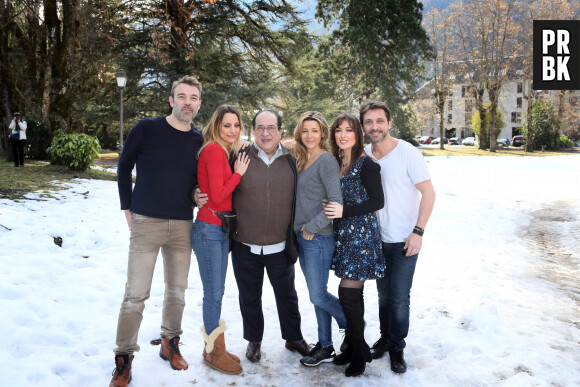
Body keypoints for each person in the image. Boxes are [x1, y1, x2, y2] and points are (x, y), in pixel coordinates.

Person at [110, 76, 204, 387]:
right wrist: (127, 206)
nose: (187, 102)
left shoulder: (199, 140)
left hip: (181, 224)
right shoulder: (146, 128)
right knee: (135, 295)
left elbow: (194, 183)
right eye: (181, 96)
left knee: (177, 292)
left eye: (193, 97)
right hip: (146, 222)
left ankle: (169, 344)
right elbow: (124, 166)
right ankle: (123, 360)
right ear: (171, 100)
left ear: (199, 104)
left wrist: (195, 196)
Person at [212, 109, 311, 363]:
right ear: (253, 130)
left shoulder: (293, 159)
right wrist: (195, 193)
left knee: (287, 295)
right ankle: (254, 340)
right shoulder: (239, 155)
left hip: (280, 244)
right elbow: (215, 182)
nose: (265, 133)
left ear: (280, 131)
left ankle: (293, 336)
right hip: (245, 243)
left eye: (271, 128)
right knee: (249, 296)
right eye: (260, 127)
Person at [360, 100, 436, 374]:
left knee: (400, 297)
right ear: (364, 126)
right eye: (369, 122)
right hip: (377, 240)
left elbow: (429, 193)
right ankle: (384, 338)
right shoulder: (365, 154)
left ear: (389, 123)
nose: (374, 126)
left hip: (405, 239)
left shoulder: (408, 153)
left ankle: (397, 347)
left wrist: (418, 232)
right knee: (383, 296)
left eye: (380, 121)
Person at [324, 113, 385, 377]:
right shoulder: (336, 162)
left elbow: (377, 201)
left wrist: (344, 211)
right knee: (352, 296)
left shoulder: (366, 164)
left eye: (349, 130)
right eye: (339, 130)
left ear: (357, 134)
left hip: (360, 237)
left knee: (347, 294)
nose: (343, 134)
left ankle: (359, 351)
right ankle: (352, 347)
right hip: (342, 236)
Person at [193, 105, 249, 375]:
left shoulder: (226, 150)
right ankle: (212, 352)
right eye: (227, 125)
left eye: (236, 125)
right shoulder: (215, 151)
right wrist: (238, 173)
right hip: (209, 229)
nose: (232, 130)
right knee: (213, 293)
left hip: (218, 229)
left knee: (217, 292)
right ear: (216, 126)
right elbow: (216, 196)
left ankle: (216, 346)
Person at [291, 111, 346, 367]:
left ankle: (352, 326)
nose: (309, 135)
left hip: (318, 237)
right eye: (305, 130)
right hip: (303, 237)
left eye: (314, 130)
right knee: (318, 294)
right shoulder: (301, 158)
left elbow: (336, 202)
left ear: (323, 133)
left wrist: (312, 227)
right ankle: (325, 345)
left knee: (318, 296)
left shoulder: (326, 161)